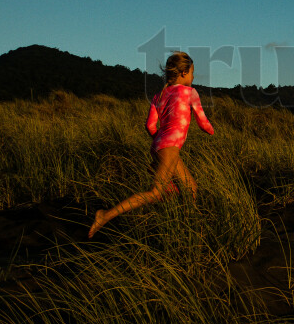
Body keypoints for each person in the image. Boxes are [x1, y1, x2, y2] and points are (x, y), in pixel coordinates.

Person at [88, 51, 214, 238]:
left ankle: (189, 230)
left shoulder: (159, 95)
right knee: (156, 192)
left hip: (158, 146)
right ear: (183, 73)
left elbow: (149, 126)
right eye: (192, 72)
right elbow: (204, 124)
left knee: (190, 189)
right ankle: (106, 215)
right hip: (169, 148)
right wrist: (213, 130)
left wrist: (161, 144)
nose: (193, 77)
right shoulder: (190, 93)